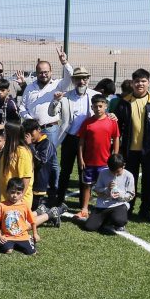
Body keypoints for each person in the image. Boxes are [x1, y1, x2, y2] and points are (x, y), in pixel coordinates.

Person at [17, 47, 74, 199]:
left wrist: (65, 62)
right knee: (32, 157)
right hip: (31, 130)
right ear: (36, 73)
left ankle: (54, 190)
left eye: (46, 72)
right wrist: (29, 119)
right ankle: (38, 188)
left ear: (51, 71)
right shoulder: (30, 87)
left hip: (50, 129)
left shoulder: (58, 84)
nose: (43, 74)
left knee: (52, 160)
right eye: (40, 72)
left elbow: (71, 77)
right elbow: (22, 106)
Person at [115, 68, 150, 221]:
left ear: (148, 82)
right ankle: (127, 208)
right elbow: (116, 125)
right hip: (129, 151)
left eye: (143, 81)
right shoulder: (124, 102)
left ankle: (146, 211)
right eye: (137, 81)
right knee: (128, 181)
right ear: (132, 83)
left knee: (149, 181)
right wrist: (118, 148)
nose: (140, 84)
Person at [48, 66, 98, 208]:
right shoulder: (65, 96)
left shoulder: (95, 95)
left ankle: (83, 203)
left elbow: (104, 112)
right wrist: (55, 101)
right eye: (78, 79)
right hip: (70, 138)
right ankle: (59, 200)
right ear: (74, 80)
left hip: (88, 140)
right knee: (65, 171)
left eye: (84, 78)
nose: (81, 81)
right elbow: (52, 113)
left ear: (88, 79)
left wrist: (112, 115)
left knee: (85, 172)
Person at [75, 94, 120, 220]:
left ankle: (106, 208)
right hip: (89, 161)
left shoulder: (112, 122)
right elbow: (81, 142)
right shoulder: (87, 122)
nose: (98, 109)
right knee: (87, 185)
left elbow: (116, 138)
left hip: (105, 162)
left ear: (106, 106)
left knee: (107, 186)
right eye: (95, 106)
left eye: (100, 106)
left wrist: (115, 156)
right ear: (92, 107)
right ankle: (84, 208)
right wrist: (81, 158)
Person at [82, 153, 135, 233]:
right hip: (103, 205)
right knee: (89, 227)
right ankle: (106, 219)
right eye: (112, 172)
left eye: (118, 172)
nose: (115, 174)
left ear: (123, 166)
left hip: (119, 204)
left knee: (120, 221)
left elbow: (131, 194)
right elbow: (96, 190)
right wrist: (107, 190)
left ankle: (113, 219)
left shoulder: (129, 176)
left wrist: (121, 195)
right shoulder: (103, 173)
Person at [0, 177, 39, 255]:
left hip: (23, 237)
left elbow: (33, 221)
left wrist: (35, 234)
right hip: (7, 237)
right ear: (7, 191)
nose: (15, 196)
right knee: (8, 251)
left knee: (32, 253)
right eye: (12, 192)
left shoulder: (24, 205)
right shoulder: (1, 205)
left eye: (18, 193)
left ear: (22, 193)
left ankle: (28, 240)